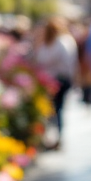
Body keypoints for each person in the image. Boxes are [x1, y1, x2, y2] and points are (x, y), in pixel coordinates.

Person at [35, 18, 77, 147]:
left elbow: (43, 59)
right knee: (56, 108)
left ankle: (55, 135)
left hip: (56, 80)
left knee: (55, 108)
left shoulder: (59, 43)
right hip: (59, 79)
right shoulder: (64, 41)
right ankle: (55, 135)